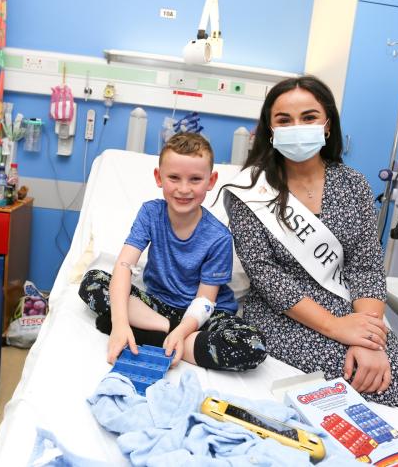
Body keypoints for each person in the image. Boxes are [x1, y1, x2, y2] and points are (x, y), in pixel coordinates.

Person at [221, 75, 398, 453]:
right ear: (269, 128)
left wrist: (369, 336)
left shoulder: (353, 185)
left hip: (353, 309)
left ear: (327, 124)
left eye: (308, 116)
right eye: (284, 120)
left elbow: (365, 267)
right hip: (282, 314)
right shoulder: (251, 190)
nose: (296, 127)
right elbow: (264, 275)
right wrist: (339, 329)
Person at [79, 132, 267, 371]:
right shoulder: (150, 214)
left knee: (253, 346)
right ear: (159, 177)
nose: (184, 189)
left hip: (204, 316)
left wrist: (183, 330)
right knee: (93, 282)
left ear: (211, 181)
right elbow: (124, 266)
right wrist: (119, 324)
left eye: (195, 179)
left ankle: (150, 335)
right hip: (158, 305)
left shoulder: (219, 237)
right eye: (174, 178)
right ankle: (162, 334)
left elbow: (205, 301)